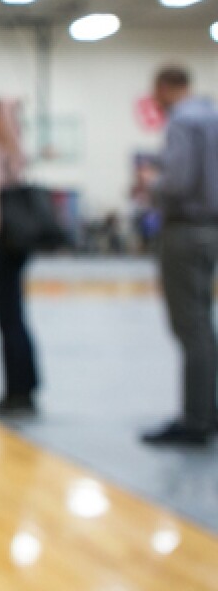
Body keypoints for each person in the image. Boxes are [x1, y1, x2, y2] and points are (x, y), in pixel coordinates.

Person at [141, 66, 218, 446]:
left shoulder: (182, 122)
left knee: (191, 327)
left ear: (164, 88)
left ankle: (196, 419)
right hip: (211, 229)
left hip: (185, 230)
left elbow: (179, 180)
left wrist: (151, 182)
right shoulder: (213, 116)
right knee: (203, 324)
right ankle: (208, 409)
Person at [0, 99, 42, 418]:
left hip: (7, 243)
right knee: (8, 319)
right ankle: (19, 387)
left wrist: (6, 107)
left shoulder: (10, 155)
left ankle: (18, 392)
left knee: (10, 319)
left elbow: (15, 143)